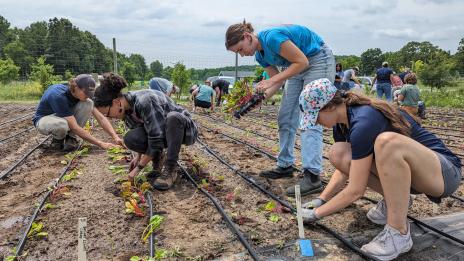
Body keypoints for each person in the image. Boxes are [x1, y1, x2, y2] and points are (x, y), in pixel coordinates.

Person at [298, 78, 461, 260]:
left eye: (315, 116)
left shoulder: (364, 120)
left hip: (444, 174)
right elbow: (347, 168)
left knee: (387, 143)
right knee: (339, 153)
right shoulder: (342, 125)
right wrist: (322, 199)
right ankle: (398, 201)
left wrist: (316, 214)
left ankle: (398, 233)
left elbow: (356, 190)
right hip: (415, 175)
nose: (316, 122)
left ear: (328, 107)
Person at [225, 21, 335, 196]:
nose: (242, 55)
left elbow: (302, 61)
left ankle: (312, 176)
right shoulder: (261, 56)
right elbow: (277, 81)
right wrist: (254, 101)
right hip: (297, 67)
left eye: (240, 49)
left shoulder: (272, 38)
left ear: (247, 37)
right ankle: (285, 165)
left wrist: (269, 81)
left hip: (317, 59)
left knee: (310, 116)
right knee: (285, 116)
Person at [93, 73, 198, 190]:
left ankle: (170, 169)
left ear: (116, 102)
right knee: (130, 138)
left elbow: (156, 138)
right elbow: (146, 131)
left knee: (173, 118)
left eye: (107, 113)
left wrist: (138, 168)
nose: (109, 117)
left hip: (185, 129)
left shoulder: (145, 101)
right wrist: (137, 157)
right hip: (163, 132)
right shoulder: (127, 111)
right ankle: (157, 160)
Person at [33, 74, 122, 151]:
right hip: (44, 119)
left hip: (63, 117)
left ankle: (71, 138)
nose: (88, 95)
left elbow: (101, 117)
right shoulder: (58, 96)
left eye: (90, 93)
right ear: (76, 87)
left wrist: (115, 137)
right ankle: (57, 140)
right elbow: (74, 127)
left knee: (88, 103)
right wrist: (101, 143)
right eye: (85, 92)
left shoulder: (81, 95)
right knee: (61, 125)